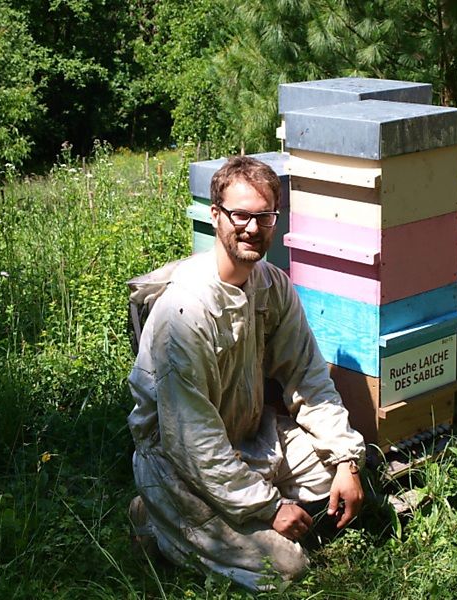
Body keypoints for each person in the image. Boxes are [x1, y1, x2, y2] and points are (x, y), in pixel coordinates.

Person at [126, 155, 366, 590]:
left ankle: (240, 509)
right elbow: (193, 442)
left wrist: (347, 460)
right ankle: (156, 517)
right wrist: (270, 508)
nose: (253, 228)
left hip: (252, 437)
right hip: (178, 461)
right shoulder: (184, 312)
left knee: (342, 485)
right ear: (216, 215)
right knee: (286, 568)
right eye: (241, 215)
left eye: (265, 216)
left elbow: (308, 377)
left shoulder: (272, 284)